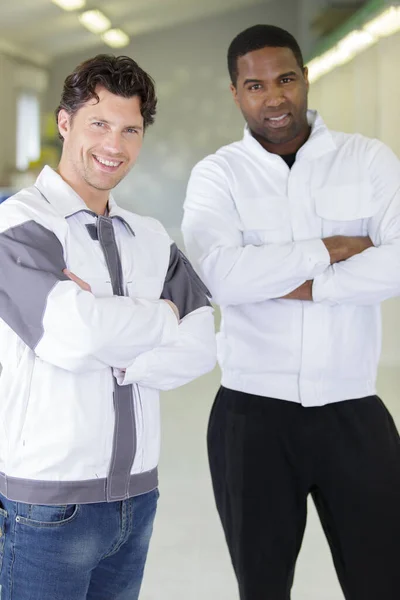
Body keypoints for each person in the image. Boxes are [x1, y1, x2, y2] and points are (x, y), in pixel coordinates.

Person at [182, 24, 400, 600]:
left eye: (285, 79)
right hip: (253, 419)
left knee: (383, 580)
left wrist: (293, 282)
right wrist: (330, 252)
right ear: (235, 93)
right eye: (255, 85)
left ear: (305, 78)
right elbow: (219, 276)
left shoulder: (368, 161)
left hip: (354, 413)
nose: (274, 97)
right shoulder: (218, 175)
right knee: (263, 588)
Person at [0, 54, 216, 599]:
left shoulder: (150, 235)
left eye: (130, 129)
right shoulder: (19, 224)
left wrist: (114, 343)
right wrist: (161, 315)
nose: (114, 145)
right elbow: (72, 334)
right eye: (99, 123)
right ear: (65, 122)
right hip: (46, 506)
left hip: (138, 499)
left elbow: (200, 343)